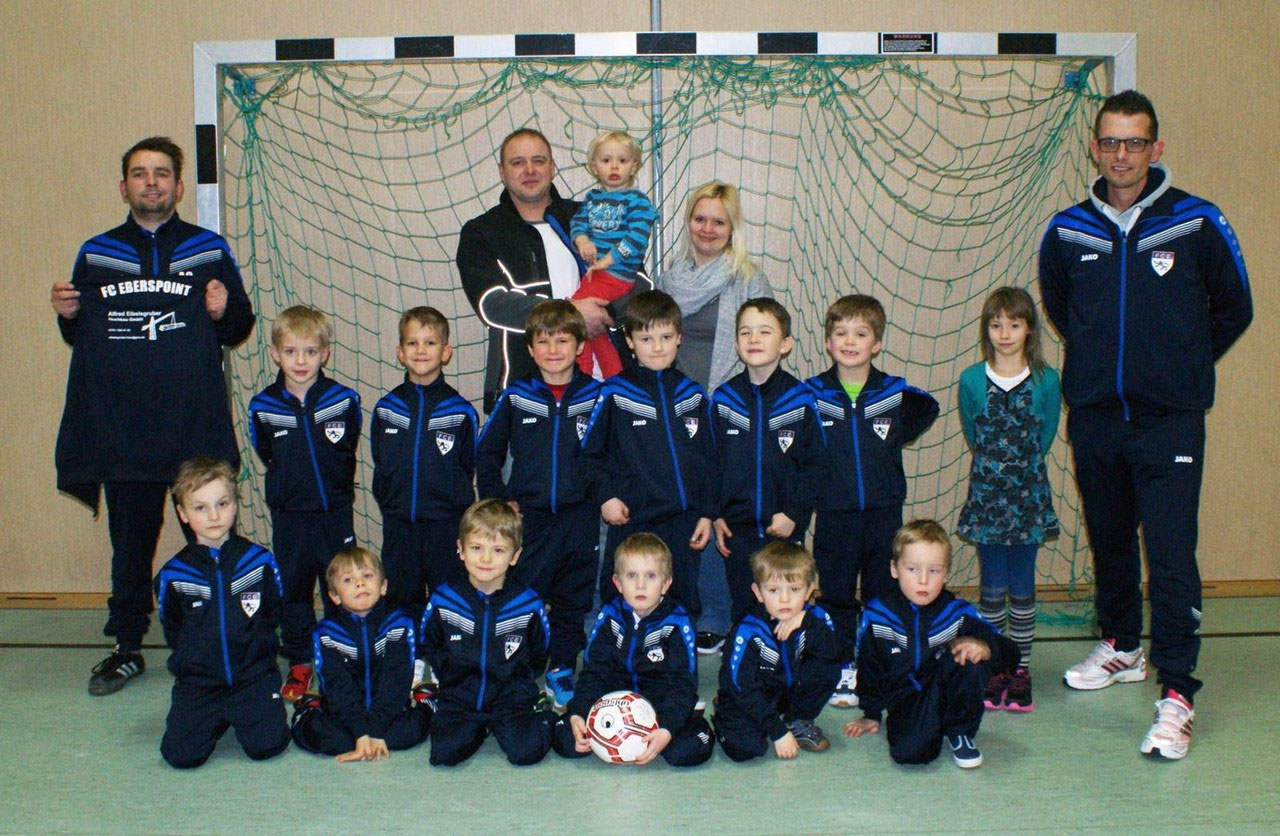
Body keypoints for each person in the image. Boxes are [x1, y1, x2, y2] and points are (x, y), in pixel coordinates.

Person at [1038, 90, 1253, 760]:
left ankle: (1178, 694)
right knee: (1108, 542)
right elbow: (1062, 308)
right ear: (1095, 147)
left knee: (1170, 555)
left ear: (1156, 148)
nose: (1121, 154)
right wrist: (1108, 373)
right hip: (1098, 419)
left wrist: (1177, 370)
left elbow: (1234, 308)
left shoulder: (1196, 221)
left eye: (1135, 142)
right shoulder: (1067, 229)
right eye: (1110, 142)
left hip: (1170, 425)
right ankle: (1124, 646)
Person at [51, 136, 255, 696]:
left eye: (162, 173)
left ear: (178, 185)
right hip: (125, 428)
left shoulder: (209, 248)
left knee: (213, 532)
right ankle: (126, 644)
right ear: (124, 187)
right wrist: (68, 315)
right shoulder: (95, 253)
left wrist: (222, 310)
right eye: (140, 174)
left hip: (194, 422)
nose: (152, 183)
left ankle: (223, 634)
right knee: (131, 544)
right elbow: (84, 333)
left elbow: (238, 326)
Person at [805, 295, 940, 708]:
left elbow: (928, 407)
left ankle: (883, 663)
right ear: (828, 342)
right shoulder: (811, 394)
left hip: (884, 514)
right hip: (834, 514)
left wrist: (894, 438)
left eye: (861, 334)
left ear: (876, 343)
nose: (850, 341)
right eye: (841, 333)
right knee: (837, 593)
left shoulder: (893, 391)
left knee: (883, 592)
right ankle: (844, 665)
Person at [656, 182, 771, 655]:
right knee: (687, 510)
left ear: (732, 228)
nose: (708, 228)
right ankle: (687, 607)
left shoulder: (749, 278)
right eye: (700, 218)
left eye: (718, 221)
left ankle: (723, 614)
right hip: (677, 410)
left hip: (726, 410)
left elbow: (760, 344)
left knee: (721, 512)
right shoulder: (668, 280)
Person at [457, 128, 645, 414]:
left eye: (539, 160)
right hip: (523, 396)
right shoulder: (481, 232)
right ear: (501, 171)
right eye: (518, 162)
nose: (529, 170)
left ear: (552, 167)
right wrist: (571, 314)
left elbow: (639, 282)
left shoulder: (592, 216)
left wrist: (606, 313)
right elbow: (492, 304)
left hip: (606, 391)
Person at [476, 300, 602, 710]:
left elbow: (614, 457)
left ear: (580, 345)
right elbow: (487, 454)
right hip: (528, 520)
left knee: (572, 598)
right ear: (529, 349)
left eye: (562, 340)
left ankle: (562, 667)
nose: (552, 350)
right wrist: (498, 504)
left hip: (580, 518)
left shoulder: (599, 397)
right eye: (543, 341)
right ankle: (518, 668)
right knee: (524, 596)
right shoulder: (515, 397)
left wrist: (603, 497)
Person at [579, 290, 716, 623]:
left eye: (666, 337)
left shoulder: (692, 393)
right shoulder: (614, 393)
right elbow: (590, 455)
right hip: (632, 520)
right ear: (629, 341)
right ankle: (615, 664)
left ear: (679, 338)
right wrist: (606, 496)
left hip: (683, 521)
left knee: (680, 598)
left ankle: (676, 669)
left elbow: (710, 460)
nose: (657, 347)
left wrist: (707, 513)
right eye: (646, 337)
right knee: (622, 599)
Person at [956, 287, 1060, 714]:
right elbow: (971, 429)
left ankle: (1020, 670)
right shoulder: (971, 379)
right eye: (996, 324)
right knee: (991, 588)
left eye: (1014, 324)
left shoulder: (1046, 380)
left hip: (1028, 498)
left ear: (1029, 329)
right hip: (987, 501)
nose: (1004, 333)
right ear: (987, 329)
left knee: (1022, 587)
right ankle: (996, 665)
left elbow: (1047, 433)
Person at [248, 306, 361, 701]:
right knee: (294, 591)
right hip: (290, 518)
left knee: (340, 589)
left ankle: (338, 658)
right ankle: (299, 661)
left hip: (334, 515)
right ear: (276, 353)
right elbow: (267, 453)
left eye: (310, 352)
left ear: (325, 353)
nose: (301, 361)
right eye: (291, 351)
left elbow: (347, 450)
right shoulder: (263, 406)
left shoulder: (344, 400)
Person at [843, 520, 1018, 768]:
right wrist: (871, 713)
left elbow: (1011, 652)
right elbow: (868, 665)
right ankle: (932, 726)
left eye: (934, 571)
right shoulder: (877, 614)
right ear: (894, 569)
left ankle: (960, 732)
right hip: (906, 697)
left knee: (970, 654)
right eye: (913, 569)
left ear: (946, 574)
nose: (923, 580)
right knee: (910, 754)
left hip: (946, 686)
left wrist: (987, 648)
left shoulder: (957, 613)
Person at [153, 457, 289, 768]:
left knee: (268, 747)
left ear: (235, 504)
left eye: (222, 503)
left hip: (252, 677)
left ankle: (246, 709)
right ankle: (214, 715)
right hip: (200, 683)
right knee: (181, 757)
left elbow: (271, 614)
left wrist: (256, 656)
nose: (214, 515)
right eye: (200, 508)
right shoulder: (173, 575)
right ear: (183, 514)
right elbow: (173, 629)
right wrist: (198, 660)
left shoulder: (260, 562)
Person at [551, 533, 715, 767]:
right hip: (613, 706)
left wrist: (668, 728)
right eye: (631, 576)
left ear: (666, 583)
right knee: (566, 741)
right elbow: (594, 672)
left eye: (650, 576)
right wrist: (579, 712)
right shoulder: (609, 615)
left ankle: (696, 722)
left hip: (660, 705)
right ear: (617, 583)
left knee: (684, 753)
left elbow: (683, 683)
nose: (640, 585)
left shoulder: (678, 622)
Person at [710, 298, 823, 622]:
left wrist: (794, 513)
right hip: (737, 529)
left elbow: (815, 466)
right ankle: (745, 666)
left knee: (786, 608)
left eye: (764, 332)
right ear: (736, 344)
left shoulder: (800, 399)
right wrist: (716, 514)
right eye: (746, 333)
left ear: (785, 344)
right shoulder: (724, 399)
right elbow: (711, 463)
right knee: (745, 607)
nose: (754, 339)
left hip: (784, 528)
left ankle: (787, 666)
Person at [418, 500, 555, 766]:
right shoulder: (444, 599)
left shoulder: (528, 604)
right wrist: (451, 676)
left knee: (527, 752)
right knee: (444, 755)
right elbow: (430, 643)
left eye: (498, 550)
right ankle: (478, 726)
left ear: (515, 556)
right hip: (460, 698)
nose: (486, 559)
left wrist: (518, 683)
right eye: (477, 548)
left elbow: (540, 651)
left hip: (510, 700)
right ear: (461, 550)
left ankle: (545, 713)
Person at [371, 306, 478, 617]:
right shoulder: (386, 408)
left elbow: (466, 464)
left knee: (449, 597)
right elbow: (380, 458)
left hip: (446, 526)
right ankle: (410, 658)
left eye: (430, 343)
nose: (421, 350)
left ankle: (445, 660)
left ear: (445, 353)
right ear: (400, 352)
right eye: (412, 343)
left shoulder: (460, 411)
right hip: (399, 524)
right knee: (401, 598)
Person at [291, 547, 432, 761]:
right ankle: (308, 708)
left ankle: (427, 701)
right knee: (333, 740)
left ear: (383, 586)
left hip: (388, 709)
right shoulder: (327, 634)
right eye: (348, 580)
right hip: (344, 713)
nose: (360, 583)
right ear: (335, 596)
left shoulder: (399, 625)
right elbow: (337, 687)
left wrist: (375, 729)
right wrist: (360, 731)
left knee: (408, 734)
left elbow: (396, 680)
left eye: (367, 576)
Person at [713, 541, 841, 761]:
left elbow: (836, 653)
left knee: (827, 665)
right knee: (747, 750)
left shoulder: (815, 617)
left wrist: (807, 621)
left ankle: (797, 718)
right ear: (758, 592)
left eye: (794, 589)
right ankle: (726, 716)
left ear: (809, 590)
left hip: (786, 695)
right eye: (773, 590)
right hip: (748, 695)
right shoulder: (748, 631)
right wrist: (777, 731)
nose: (784, 599)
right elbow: (744, 687)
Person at [569, 130, 657, 378]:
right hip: (597, 275)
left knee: (574, 317)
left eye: (622, 160)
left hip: (617, 275)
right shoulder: (592, 199)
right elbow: (577, 224)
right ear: (594, 167)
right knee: (594, 331)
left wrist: (608, 260)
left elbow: (637, 237)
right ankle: (614, 376)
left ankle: (583, 375)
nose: (614, 166)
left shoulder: (637, 201)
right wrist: (583, 239)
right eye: (606, 160)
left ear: (634, 166)